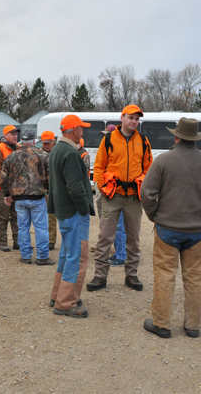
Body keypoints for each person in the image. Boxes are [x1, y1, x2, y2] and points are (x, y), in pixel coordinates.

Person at [140, 118, 201, 338]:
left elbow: (147, 193)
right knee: (195, 278)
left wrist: (155, 217)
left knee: (164, 276)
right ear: (196, 138)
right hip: (196, 232)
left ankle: (162, 324)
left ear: (176, 137)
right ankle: (193, 326)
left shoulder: (163, 161)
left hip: (167, 229)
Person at [88, 105, 152, 292]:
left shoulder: (143, 141)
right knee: (104, 237)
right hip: (112, 196)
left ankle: (131, 276)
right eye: (131, 118)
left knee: (133, 239)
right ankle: (100, 276)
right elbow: (98, 166)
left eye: (137, 119)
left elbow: (149, 167)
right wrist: (103, 187)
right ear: (122, 118)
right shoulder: (109, 139)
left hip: (133, 198)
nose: (134, 121)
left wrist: (142, 184)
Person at [48, 115, 95, 318]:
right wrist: (85, 208)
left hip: (64, 211)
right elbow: (76, 188)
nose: (82, 133)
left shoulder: (57, 150)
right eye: (81, 129)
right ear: (74, 130)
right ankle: (66, 303)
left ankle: (58, 295)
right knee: (77, 256)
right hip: (74, 213)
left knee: (67, 254)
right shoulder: (71, 153)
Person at [0, 130, 51, 265]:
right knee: (41, 227)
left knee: (22, 227)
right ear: (34, 141)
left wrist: (7, 194)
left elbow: (3, 177)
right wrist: (48, 192)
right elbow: (50, 177)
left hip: (20, 198)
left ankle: (26, 255)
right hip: (37, 197)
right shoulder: (43, 155)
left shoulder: (11, 156)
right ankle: (42, 256)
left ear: (21, 142)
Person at [93, 125, 127, 267]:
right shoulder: (106, 149)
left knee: (119, 226)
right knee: (112, 225)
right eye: (104, 134)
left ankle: (121, 255)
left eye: (107, 134)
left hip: (117, 194)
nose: (104, 137)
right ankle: (117, 252)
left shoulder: (118, 151)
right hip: (108, 193)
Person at [0, 125, 20, 252]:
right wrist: (4, 187)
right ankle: (2, 242)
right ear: (5, 135)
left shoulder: (18, 148)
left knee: (16, 215)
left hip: (17, 188)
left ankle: (17, 242)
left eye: (16, 133)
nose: (15, 136)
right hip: (3, 189)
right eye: (12, 134)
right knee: (4, 215)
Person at [40, 131, 58, 250]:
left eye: (48, 143)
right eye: (44, 143)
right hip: (41, 189)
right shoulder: (39, 154)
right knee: (41, 217)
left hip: (54, 188)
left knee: (51, 216)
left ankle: (51, 240)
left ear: (54, 141)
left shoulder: (57, 153)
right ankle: (43, 240)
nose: (46, 145)